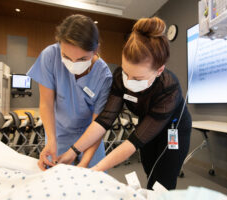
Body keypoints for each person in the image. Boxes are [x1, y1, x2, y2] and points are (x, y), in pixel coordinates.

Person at [57, 16, 192, 190]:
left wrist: (94, 169)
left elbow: (133, 142)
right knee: (149, 170)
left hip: (174, 130)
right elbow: (104, 120)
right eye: (126, 72)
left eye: (137, 78)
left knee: (161, 183)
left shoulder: (169, 89)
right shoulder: (120, 78)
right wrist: (72, 152)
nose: (128, 81)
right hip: (146, 123)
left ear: (159, 70)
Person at [27, 14, 113, 171]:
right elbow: (46, 104)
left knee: (92, 177)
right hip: (59, 133)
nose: (73, 65)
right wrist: (51, 140)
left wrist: (85, 163)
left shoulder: (104, 76)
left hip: (90, 135)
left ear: (96, 50)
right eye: (66, 57)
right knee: (55, 177)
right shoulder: (50, 56)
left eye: (81, 59)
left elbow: (98, 124)